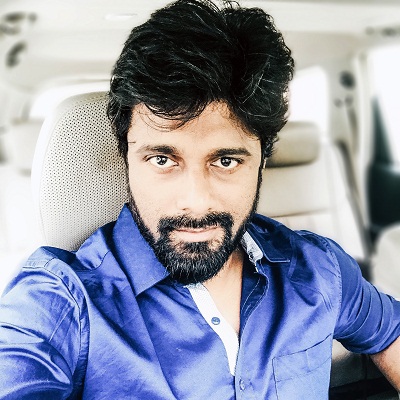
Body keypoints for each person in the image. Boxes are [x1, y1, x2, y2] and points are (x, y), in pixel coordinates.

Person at [1, 0, 400, 398]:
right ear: (127, 159)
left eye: (226, 161)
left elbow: (389, 333)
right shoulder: (58, 301)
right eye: (162, 159)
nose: (195, 202)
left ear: (261, 161)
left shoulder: (318, 268)